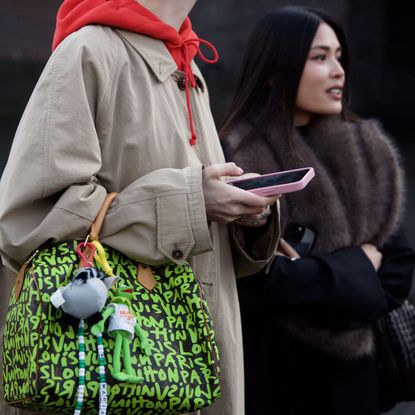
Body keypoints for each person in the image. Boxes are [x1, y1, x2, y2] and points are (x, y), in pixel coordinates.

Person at [0, 1, 281, 414]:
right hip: (111, 367)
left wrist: (243, 215)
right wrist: (192, 199)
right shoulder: (89, 50)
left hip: (188, 362)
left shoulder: (187, 61)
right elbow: (27, 217)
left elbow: (192, 226)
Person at [220, 6, 415, 415]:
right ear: (275, 69)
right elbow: (249, 284)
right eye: (320, 57)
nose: (338, 70)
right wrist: (358, 266)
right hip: (270, 379)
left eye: (339, 56)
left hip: (357, 385)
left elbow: (397, 271)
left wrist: (304, 276)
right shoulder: (233, 158)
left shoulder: (370, 152)